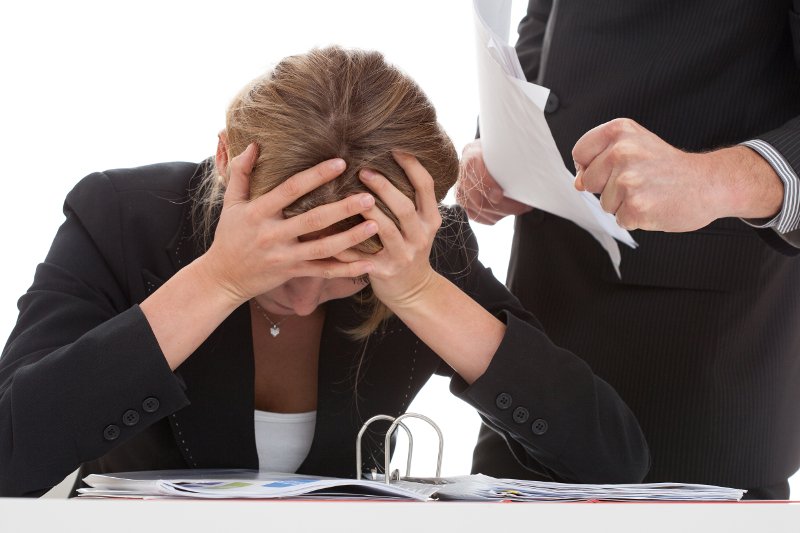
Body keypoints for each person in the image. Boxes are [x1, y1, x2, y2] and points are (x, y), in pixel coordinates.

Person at [0, 46, 648, 497]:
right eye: (286, 261)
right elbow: (10, 455)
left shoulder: (418, 246)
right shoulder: (120, 217)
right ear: (226, 160)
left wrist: (421, 291)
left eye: (348, 273)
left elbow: (613, 461)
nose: (307, 298)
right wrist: (220, 280)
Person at [458, 1, 800, 499]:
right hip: (529, 346)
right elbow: (543, 30)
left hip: (694, 368)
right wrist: (500, 141)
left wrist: (712, 180)